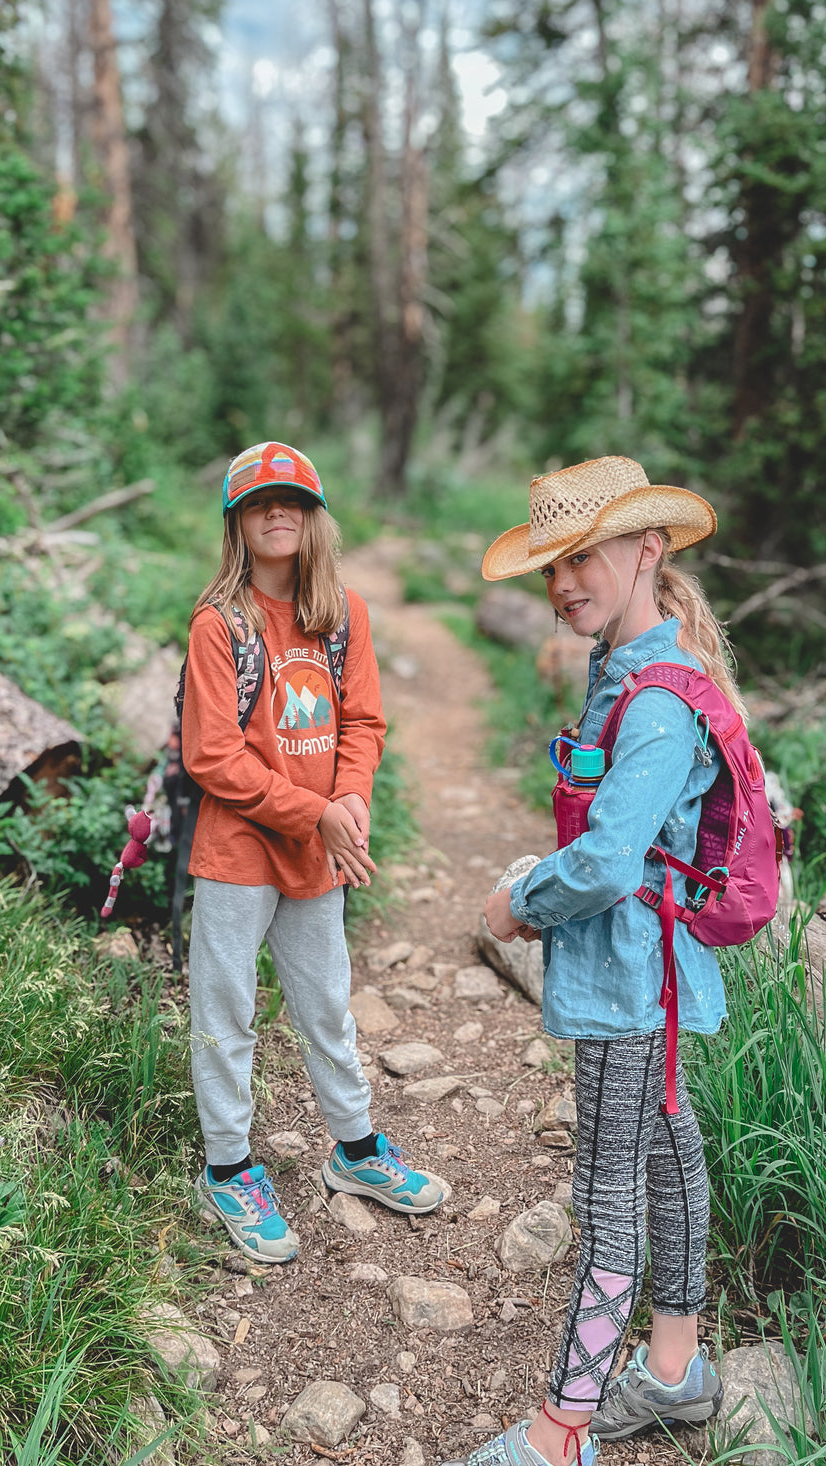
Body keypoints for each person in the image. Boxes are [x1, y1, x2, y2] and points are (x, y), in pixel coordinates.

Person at [451, 455, 734, 1466]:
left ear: (645, 548)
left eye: (581, 556)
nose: (562, 581)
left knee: (606, 1191)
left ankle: (560, 1428)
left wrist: (516, 903)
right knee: (668, 1151)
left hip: (625, 978)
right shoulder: (622, 674)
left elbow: (611, 862)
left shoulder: (654, 702)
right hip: (649, 970)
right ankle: (673, 1371)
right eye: (548, 565)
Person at [183, 440, 443, 1264]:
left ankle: (356, 1153)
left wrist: (353, 800)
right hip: (239, 850)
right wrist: (315, 811)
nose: (278, 513)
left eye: (293, 500)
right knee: (225, 1012)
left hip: (320, 847)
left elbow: (363, 722)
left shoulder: (343, 614)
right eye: (261, 503)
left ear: (315, 515)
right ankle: (229, 1169)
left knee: (327, 1002)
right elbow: (214, 756)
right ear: (238, 521)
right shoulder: (220, 624)